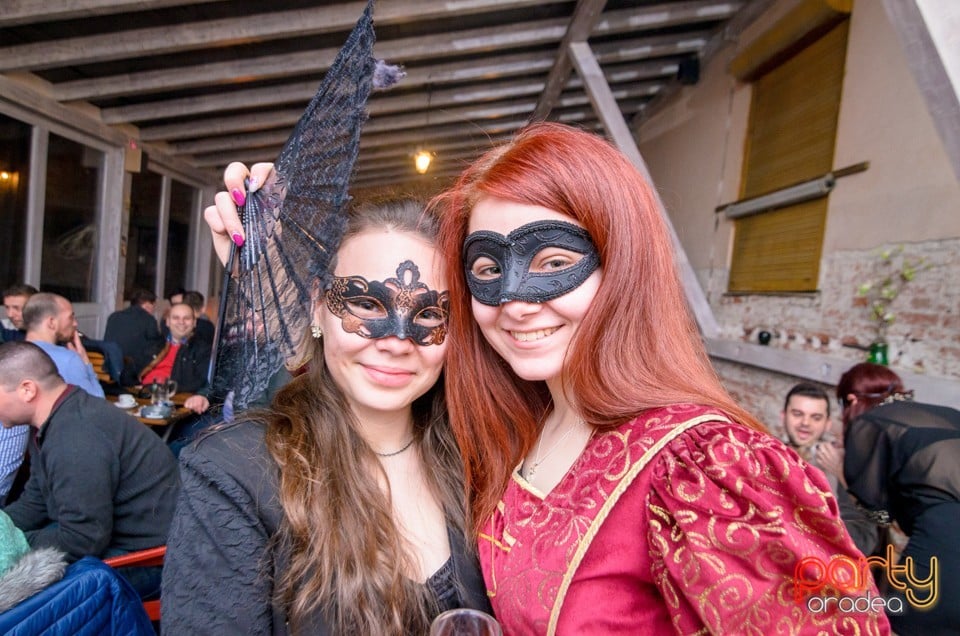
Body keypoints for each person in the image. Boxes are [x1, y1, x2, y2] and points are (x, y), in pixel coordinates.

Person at [425, 123, 887, 633]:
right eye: (488, 270)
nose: (513, 302)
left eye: (554, 262)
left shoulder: (712, 467)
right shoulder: (523, 425)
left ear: (622, 267)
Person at [163, 198, 491, 633]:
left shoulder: (480, 457)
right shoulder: (235, 472)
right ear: (318, 305)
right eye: (367, 304)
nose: (396, 340)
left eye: (428, 313)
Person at [0, 341, 179, 599]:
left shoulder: (74, 436)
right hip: (117, 540)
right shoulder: (58, 417)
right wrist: (5, 527)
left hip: (150, 560)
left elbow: (82, 541)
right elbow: (36, 499)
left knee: (20, 592)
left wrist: (16, 542)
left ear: (27, 390)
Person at [838, 362, 960, 635]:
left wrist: (841, 475)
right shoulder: (946, 415)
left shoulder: (869, 424)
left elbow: (878, 516)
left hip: (947, 544)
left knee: (898, 620)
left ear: (851, 400)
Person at [780, 382, 879, 555]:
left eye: (816, 417)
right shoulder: (766, 454)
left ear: (827, 424)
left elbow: (864, 541)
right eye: (797, 414)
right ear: (783, 416)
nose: (805, 423)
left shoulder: (840, 466)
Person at [22, 293, 104, 399]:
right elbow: (97, 404)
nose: (75, 323)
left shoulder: (11, 355)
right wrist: (86, 363)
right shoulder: (68, 360)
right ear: (51, 322)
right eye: (71, 317)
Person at [139, 302, 212, 414]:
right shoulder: (154, 344)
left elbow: (207, 382)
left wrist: (201, 396)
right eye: (176, 318)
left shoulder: (203, 349)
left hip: (174, 405)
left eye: (186, 318)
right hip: (142, 399)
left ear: (194, 323)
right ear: (168, 322)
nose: (181, 322)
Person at [104, 288, 164, 386]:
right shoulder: (148, 320)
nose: (153, 310)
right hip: (132, 372)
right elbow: (156, 343)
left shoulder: (114, 316)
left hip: (110, 367)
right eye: (153, 306)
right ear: (147, 305)